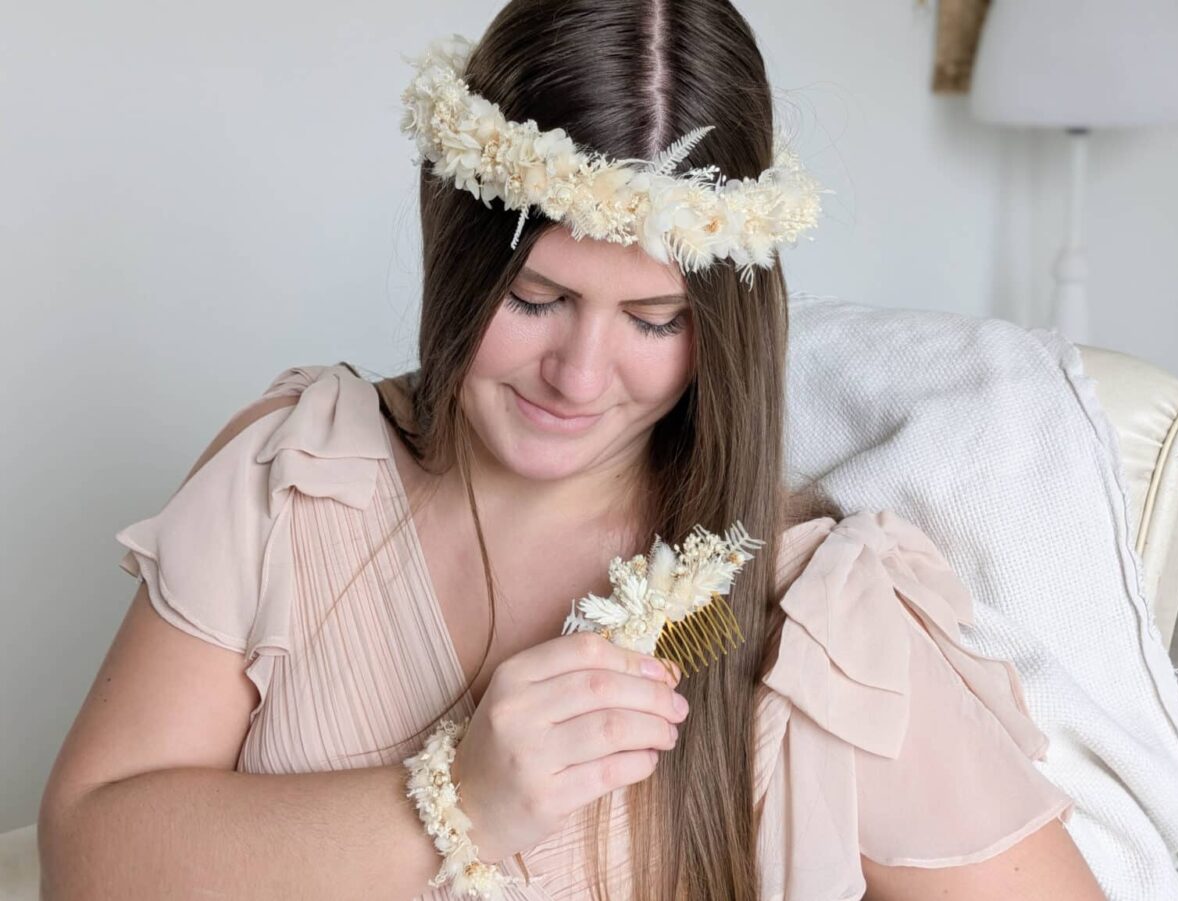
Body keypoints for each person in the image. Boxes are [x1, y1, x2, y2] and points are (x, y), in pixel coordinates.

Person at [38, 1, 1106, 898]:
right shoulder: (297, 474)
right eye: (536, 298)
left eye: (653, 319)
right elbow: (88, 850)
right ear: (454, 249)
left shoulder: (808, 613)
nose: (581, 376)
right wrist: (456, 800)